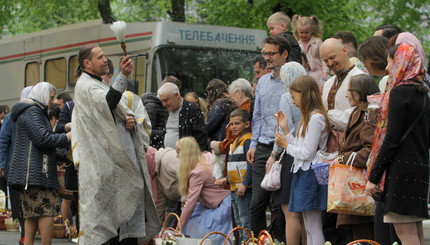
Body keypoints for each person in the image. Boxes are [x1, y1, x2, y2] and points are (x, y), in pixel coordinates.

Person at [71, 44, 159, 245]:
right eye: (100, 57)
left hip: (113, 165)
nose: (105, 60)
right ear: (87, 63)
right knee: (107, 227)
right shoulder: (86, 85)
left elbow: (108, 113)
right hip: (101, 164)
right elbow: (105, 104)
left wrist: (126, 120)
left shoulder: (97, 84)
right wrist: (123, 75)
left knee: (121, 222)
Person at [365, 43, 429, 245]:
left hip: (401, 170)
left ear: (401, 62)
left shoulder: (399, 92)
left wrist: (373, 176)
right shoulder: (423, 92)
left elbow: (391, 139)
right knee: (415, 231)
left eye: (391, 60)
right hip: (419, 166)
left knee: (407, 234)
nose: (388, 67)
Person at [7, 82, 71, 245]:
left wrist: (65, 156)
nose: (52, 102)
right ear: (42, 95)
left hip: (31, 174)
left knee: (32, 214)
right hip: (35, 174)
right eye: (50, 98)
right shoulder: (32, 111)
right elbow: (43, 139)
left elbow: (41, 143)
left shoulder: (30, 111)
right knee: (46, 211)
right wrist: (68, 137)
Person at [275, 76, 331, 245]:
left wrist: (285, 145)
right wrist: (286, 130)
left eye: (294, 96)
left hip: (311, 173)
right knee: (308, 224)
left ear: (304, 94)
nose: (292, 102)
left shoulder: (316, 119)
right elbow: (299, 149)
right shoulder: (308, 118)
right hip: (304, 172)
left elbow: (306, 153)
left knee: (313, 225)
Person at [246, 35, 290, 235]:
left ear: (284, 54)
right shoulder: (263, 81)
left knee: (279, 205)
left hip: (285, 148)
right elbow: (257, 115)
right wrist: (253, 144)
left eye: (271, 53)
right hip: (263, 147)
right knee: (257, 203)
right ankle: (257, 240)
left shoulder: (294, 79)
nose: (267, 58)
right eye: (265, 53)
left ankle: (278, 239)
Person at [330, 74, 379, 242]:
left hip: (359, 185)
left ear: (360, 92)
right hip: (350, 185)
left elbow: (371, 150)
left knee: (362, 234)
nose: (346, 94)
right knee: (352, 234)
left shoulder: (370, 115)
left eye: (350, 90)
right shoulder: (356, 113)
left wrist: (346, 158)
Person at [269, 62, 306, 245]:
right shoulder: (313, 96)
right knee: (306, 215)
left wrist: (274, 154)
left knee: (290, 212)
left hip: (291, 154)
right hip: (309, 152)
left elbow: (284, 129)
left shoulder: (287, 97)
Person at [176, 137, 232, 245]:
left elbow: (190, 203)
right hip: (222, 200)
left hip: (220, 204)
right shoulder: (206, 156)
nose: (177, 156)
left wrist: (179, 227)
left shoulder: (197, 172)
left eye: (178, 152)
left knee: (196, 225)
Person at [0, 86, 33, 245]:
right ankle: (24, 234)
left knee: (26, 203)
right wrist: (1, 163)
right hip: (16, 167)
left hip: (26, 168)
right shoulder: (11, 117)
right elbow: (3, 141)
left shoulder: (35, 114)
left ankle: (26, 235)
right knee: (20, 202)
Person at [214, 109, 252, 241]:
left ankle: (247, 242)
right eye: (231, 124)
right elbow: (235, 166)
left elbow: (250, 165)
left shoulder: (248, 141)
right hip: (233, 187)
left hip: (242, 189)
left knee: (245, 221)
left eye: (237, 123)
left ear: (246, 124)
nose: (233, 127)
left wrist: (245, 184)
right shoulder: (234, 142)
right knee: (238, 221)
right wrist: (226, 179)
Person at [320, 38, 365, 131]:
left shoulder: (360, 78)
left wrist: (325, 114)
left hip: (352, 140)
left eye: (332, 57)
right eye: (326, 61)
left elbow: (357, 117)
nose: (330, 63)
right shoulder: (329, 83)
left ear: (344, 50)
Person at [157, 82, 208, 151]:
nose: (164, 104)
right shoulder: (165, 110)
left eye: (166, 100)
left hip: (186, 158)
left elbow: (201, 137)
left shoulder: (192, 110)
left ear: (177, 95)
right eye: (162, 101)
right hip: (167, 157)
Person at [211, 78, 253, 155]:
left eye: (231, 95)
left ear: (239, 93)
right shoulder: (250, 107)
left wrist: (218, 146)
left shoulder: (243, 111)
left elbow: (234, 138)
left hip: (239, 156)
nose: (231, 99)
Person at [141, 76, 182, 149]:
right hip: (154, 149)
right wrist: (168, 133)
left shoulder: (162, 105)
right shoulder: (152, 106)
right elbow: (147, 130)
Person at [292, 14, 328, 88]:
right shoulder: (296, 44)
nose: (304, 35)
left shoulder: (317, 42)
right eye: (301, 32)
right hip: (303, 73)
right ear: (297, 31)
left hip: (317, 73)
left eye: (306, 32)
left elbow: (323, 58)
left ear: (312, 31)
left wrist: (325, 72)